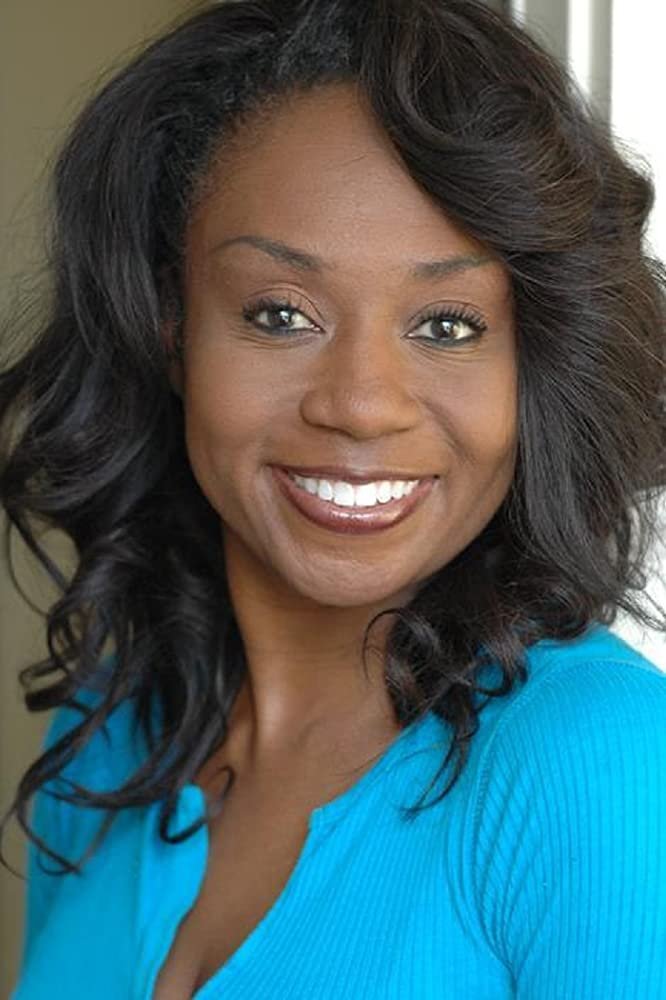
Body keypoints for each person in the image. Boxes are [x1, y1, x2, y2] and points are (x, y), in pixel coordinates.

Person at [2, 0, 665, 996]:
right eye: (280, 313)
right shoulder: (108, 730)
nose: (360, 405)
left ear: (534, 363)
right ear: (172, 327)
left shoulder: (599, 761)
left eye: (447, 326)